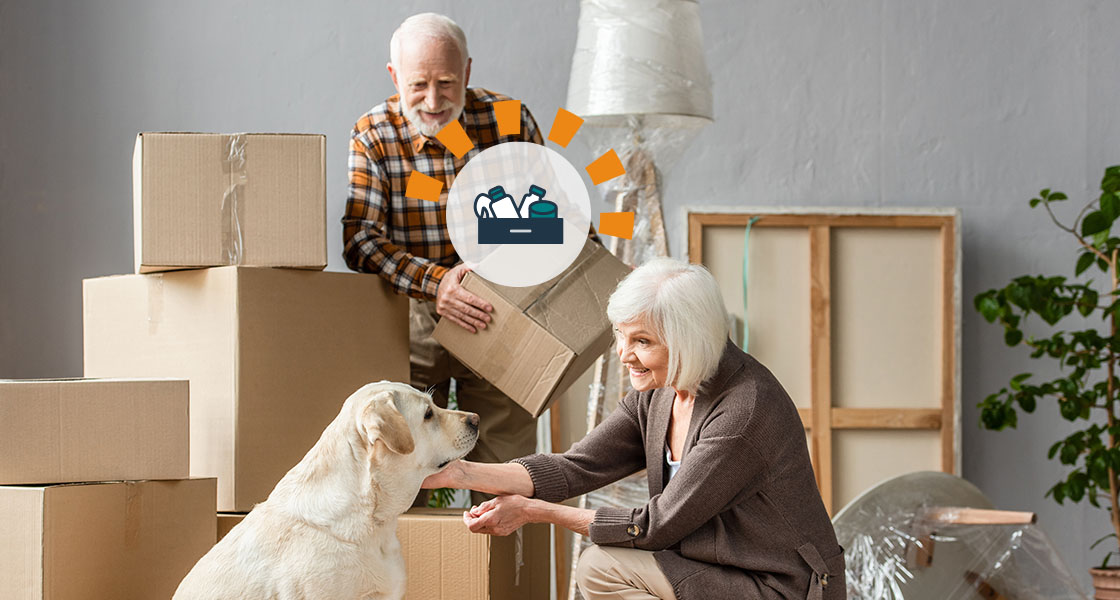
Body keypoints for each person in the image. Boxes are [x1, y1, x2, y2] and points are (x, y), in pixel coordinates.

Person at [423, 258, 846, 599]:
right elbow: (576, 467)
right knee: (600, 567)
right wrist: (461, 472)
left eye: (642, 341)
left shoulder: (743, 412)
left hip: (780, 587)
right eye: (622, 337)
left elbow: (656, 526)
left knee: (602, 567)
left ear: (688, 340)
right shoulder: (659, 391)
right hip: (716, 572)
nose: (625, 355)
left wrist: (535, 512)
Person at [342, 12, 546, 497]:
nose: (433, 101)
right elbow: (360, 239)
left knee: (511, 471)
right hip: (412, 313)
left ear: (468, 73)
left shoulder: (509, 120)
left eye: (447, 83)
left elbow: (554, 214)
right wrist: (438, 284)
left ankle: (504, 572)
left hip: (503, 310)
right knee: (396, 468)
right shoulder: (374, 133)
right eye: (418, 85)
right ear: (394, 77)